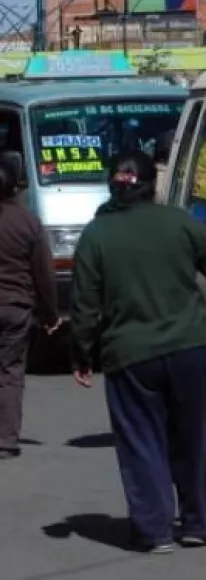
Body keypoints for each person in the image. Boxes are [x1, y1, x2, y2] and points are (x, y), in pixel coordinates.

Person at [70, 151, 206, 554]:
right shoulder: (178, 221)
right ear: (152, 186)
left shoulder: (96, 235)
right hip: (192, 347)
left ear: (112, 187)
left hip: (131, 356)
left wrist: (82, 355)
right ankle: (199, 524)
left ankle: (154, 530)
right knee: (196, 438)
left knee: (141, 441)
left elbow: (84, 306)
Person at [0, 157, 61, 460]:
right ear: (16, 187)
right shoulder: (27, 222)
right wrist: (51, 314)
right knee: (10, 373)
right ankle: (6, 440)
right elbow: (44, 274)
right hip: (14, 307)